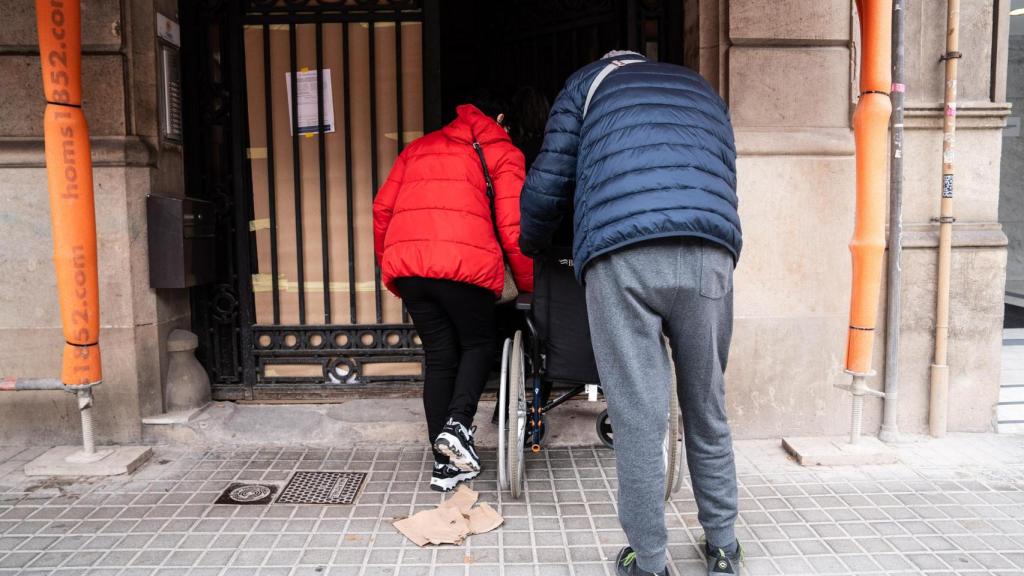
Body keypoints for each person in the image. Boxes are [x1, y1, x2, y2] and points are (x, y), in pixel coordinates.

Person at [519, 51, 743, 576]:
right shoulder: (701, 88)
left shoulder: (585, 85)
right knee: (707, 406)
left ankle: (649, 562)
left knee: (639, 419)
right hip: (708, 251)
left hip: (622, 255)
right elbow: (724, 170)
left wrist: (533, 245)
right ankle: (724, 548)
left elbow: (549, 181)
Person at [374, 94, 533, 492]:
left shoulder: (418, 148)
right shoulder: (503, 152)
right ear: (500, 119)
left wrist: (393, 262)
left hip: (410, 267)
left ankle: (446, 463)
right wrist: (529, 284)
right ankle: (458, 426)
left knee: (440, 356)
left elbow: (382, 210)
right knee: (479, 343)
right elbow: (513, 226)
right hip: (465, 266)